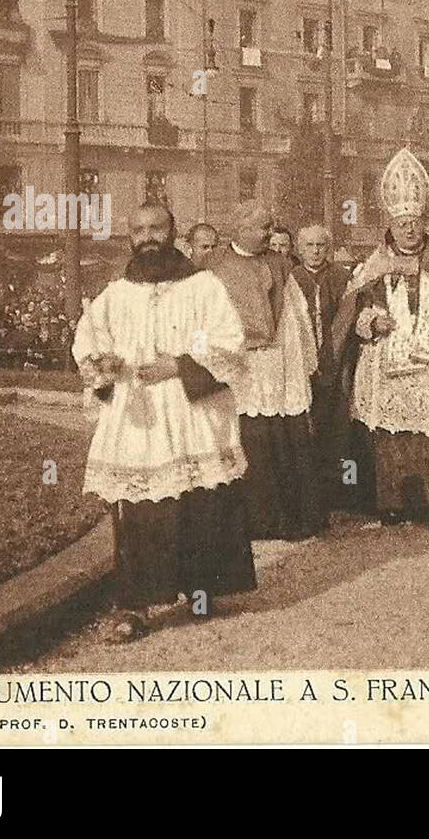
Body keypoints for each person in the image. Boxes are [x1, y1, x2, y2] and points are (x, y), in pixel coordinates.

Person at [71, 201, 255, 643]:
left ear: (173, 232)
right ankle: (135, 605)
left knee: (199, 502)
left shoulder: (203, 286)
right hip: (138, 416)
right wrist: (103, 365)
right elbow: (89, 344)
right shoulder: (116, 293)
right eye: (139, 230)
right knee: (138, 509)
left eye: (157, 228)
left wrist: (179, 366)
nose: (148, 237)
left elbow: (230, 342)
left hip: (192, 410)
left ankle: (202, 591)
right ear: (130, 238)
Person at [331, 147, 429, 524]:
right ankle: (392, 503)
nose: (409, 228)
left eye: (414, 222)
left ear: (423, 223)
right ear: (389, 225)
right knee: (389, 437)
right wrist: (371, 323)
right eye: (401, 222)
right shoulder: (372, 267)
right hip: (386, 360)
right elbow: (352, 313)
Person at [207, 200, 324, 540]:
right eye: (263, 228)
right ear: (240, 229)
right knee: (249, 435)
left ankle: (292, 518)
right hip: (242, 364)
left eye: (271, 226)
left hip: (279, 361)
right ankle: (254, 521)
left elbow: (297, 316)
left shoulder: (280, 263)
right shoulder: (217, 266)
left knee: (286, 435)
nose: (270, 233)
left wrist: (301, 360)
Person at [291, 224, 354, 512]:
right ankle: (311, 494)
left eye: (320, 246)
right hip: (301, 364)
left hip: (336, 362)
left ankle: (344, 491)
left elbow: (348, 321)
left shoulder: (343, 277)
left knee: (340, 428)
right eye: (309, 246)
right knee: (306, 427)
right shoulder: (291, 278)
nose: (315, 251)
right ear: (299, 249)